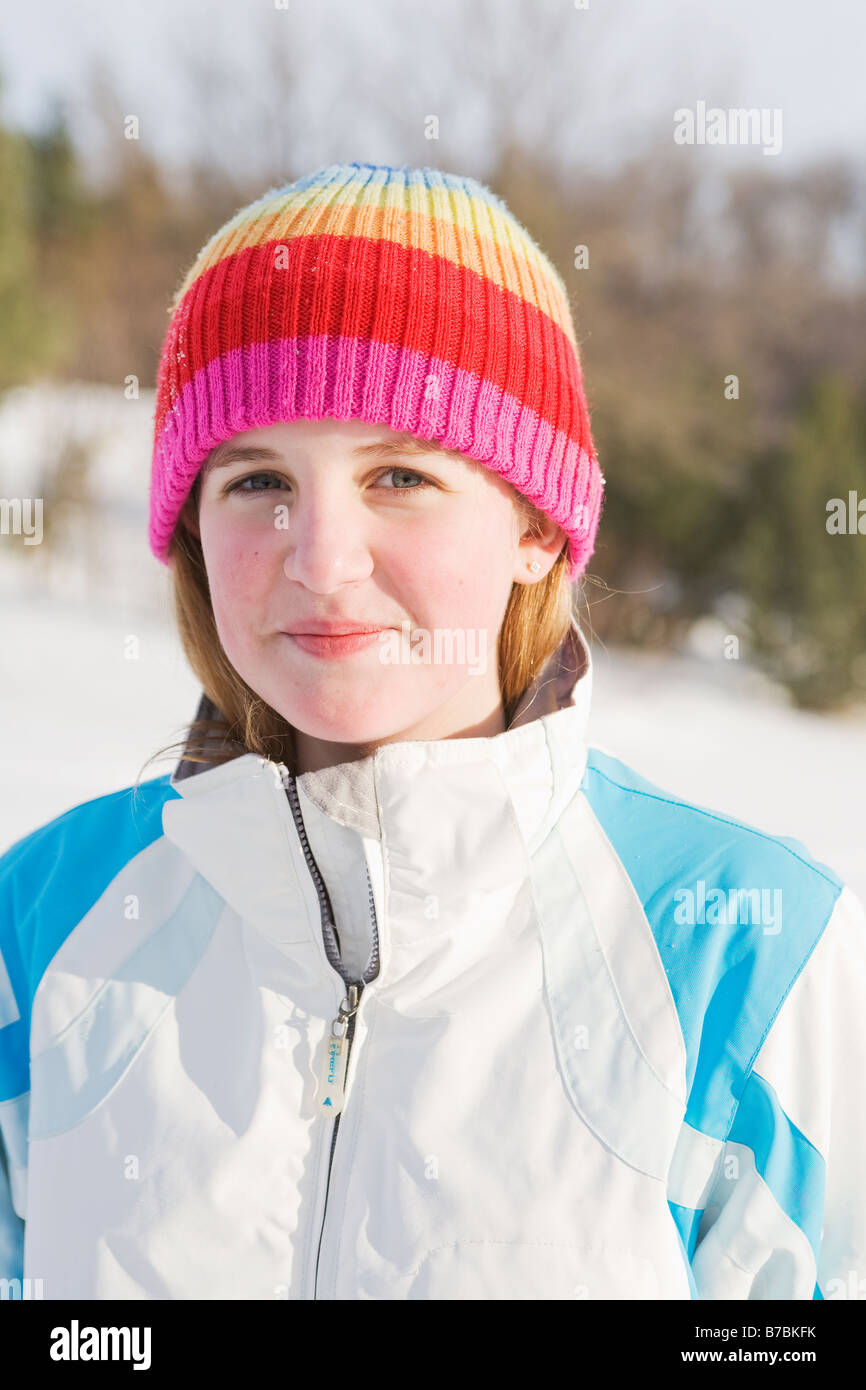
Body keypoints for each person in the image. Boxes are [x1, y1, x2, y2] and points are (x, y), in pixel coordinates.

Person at [1, 161, 863, 1302]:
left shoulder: (745, 951)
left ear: (536, 535)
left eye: (398, 474)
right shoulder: (48, 920)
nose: (320, 561)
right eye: (257, 481)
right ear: (193, 534)